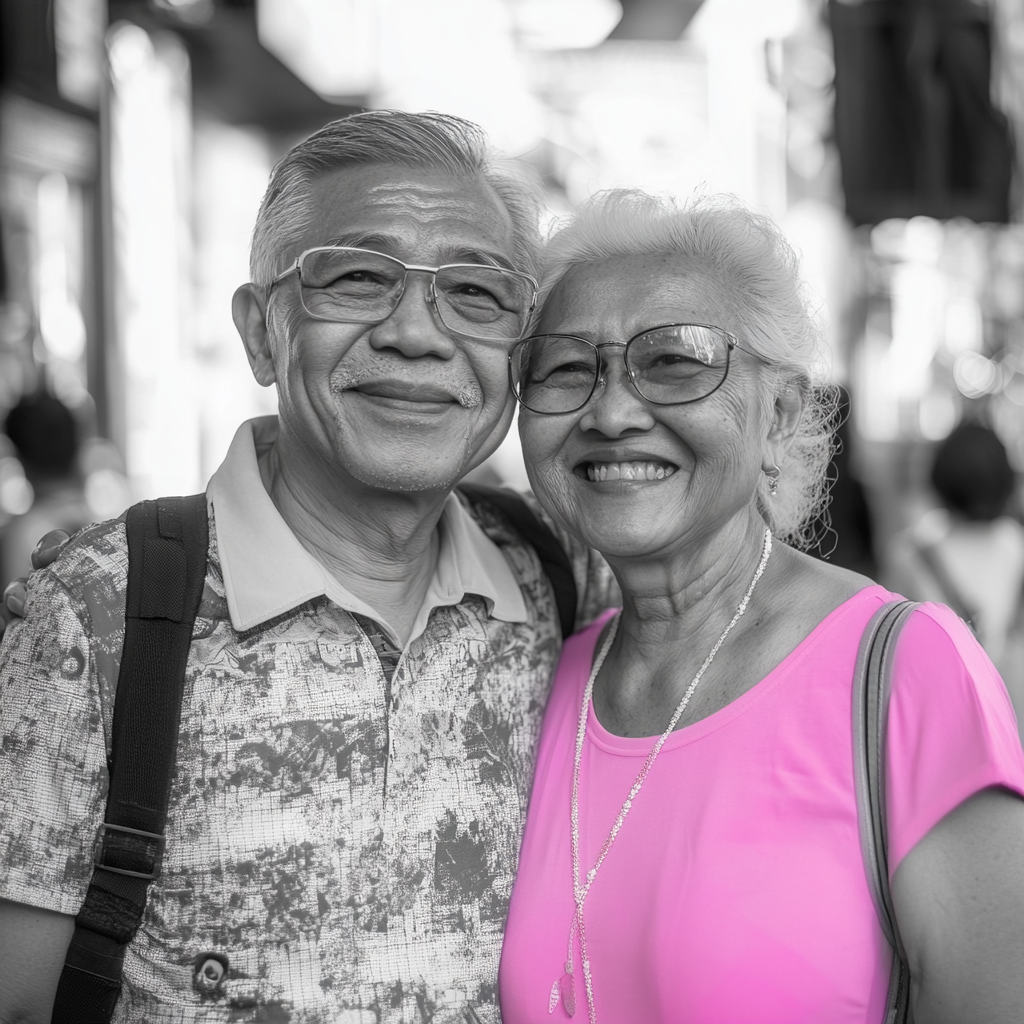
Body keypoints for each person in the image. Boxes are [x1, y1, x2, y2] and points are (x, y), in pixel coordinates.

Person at [0, 111, 615, 1024]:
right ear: (261, 332)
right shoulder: (95, 616)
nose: (417, 333)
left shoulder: (555, 579)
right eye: (358, 278)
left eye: (476, 295)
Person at [497, 191, 1024, 1023]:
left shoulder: (906, 671)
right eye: (566, 368)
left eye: (674, 360)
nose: (611, 412)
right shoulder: (546, 678)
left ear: (778, 415)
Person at [884, 421, 1024, 733]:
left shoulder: (909, 555)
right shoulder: (1017, 545)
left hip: (937, 718)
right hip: (1006, 717)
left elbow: (892, 651)